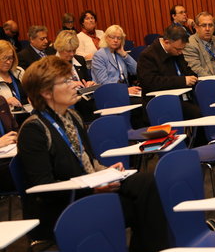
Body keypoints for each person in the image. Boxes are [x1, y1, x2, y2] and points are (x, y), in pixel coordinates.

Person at [17, 56, 169, 251]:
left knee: (147, 182)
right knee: (143, 207)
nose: (74, 85)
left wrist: (107, 171)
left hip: (88, 189)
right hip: (63, 207)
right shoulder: (34, 130)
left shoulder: (72, 116)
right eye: (66, 81)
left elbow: (88, 160)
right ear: (46, 92)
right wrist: (91, 189)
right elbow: (44, 188)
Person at [137, 25, 200, 120]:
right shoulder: (148, 55)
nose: (180, 52)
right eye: (178, 49)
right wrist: (182, 81)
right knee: (197, 114)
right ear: (166, 42)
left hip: (183, 97)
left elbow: (187, 70)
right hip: (161, 102)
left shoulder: (175, 51)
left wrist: (192, 77)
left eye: (183, 49)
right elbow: (150, 82)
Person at [54, 31, 97, 122]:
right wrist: (69, 84)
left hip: (83, 99)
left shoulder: (80, 59)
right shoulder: (51, 63)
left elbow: (86, 80)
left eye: (74, 50)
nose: (72, 54)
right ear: (60, 49)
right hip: (65, 102)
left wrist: (89, 83)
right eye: (69, 51)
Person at [91, 25, 141, 95]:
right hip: (110, 93)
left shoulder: (120, 53)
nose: (115, 40)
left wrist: (124, 54)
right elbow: (103, 83)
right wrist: (125, 90)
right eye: (112, 37)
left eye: (119, 38)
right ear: (106, 38)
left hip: (126, 89)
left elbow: (136, 70)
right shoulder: (99, 55)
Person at [0, 41, 28, 109]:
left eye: (11, 58)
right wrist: (5, 102)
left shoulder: (19, 71)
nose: (8, 62)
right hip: (7, 118)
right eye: (4, 58)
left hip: (28, 115)